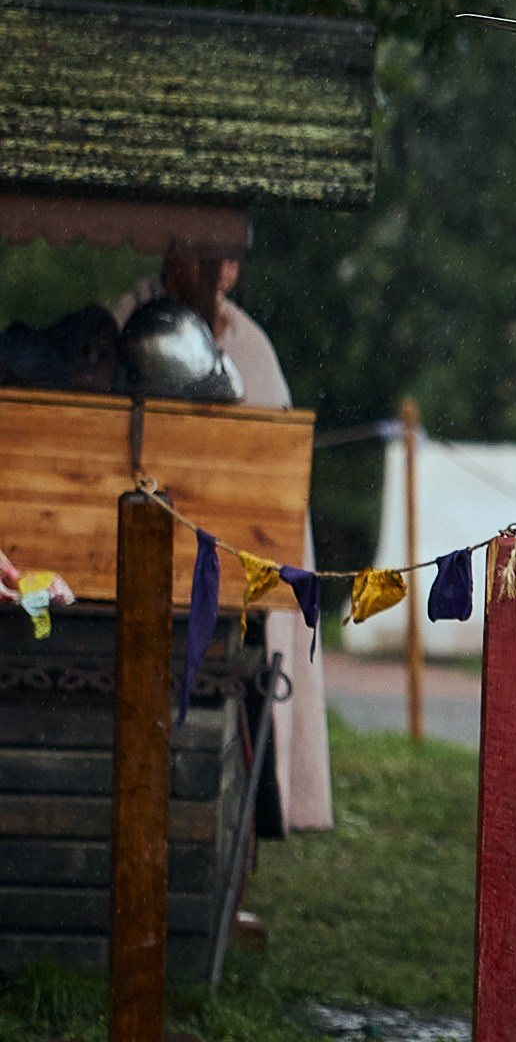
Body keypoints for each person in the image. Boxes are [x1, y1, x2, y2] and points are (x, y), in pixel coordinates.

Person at [113, 253, 332, 830]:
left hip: (233, 557)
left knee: (244, 698)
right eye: (214, 260)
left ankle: (252, 819)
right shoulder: (128, 320)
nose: (224, 274)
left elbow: (269, 460)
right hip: (144, 542)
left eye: (233, 261)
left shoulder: (249, 344)